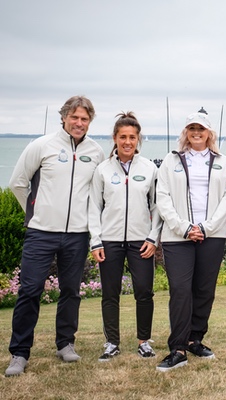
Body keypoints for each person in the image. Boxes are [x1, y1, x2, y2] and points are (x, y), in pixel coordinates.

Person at [5, 96, 105, 377]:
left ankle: (65, 343)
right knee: (30, 290)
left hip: (77, 235)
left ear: (89, 122)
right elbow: (18, 182)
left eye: (84, 119)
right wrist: (36, 211)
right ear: (64, 117)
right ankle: (20, 353)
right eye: (74, 117)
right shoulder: (42, 145)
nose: (79, 123)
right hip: (41, 233)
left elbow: (97, 193)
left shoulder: (96, 151)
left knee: (71, 291)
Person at [155, 110, 226, 372]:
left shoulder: (223, 161)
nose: (196, 133)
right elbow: (162, 197)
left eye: (201, 128)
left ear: (210, 133)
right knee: (180, 290)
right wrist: (185, 227)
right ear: (186, 132)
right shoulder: (170, 160)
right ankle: (177, 348)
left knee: (204, 290)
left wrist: (206, 227)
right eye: (192, 128)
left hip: (212, 235)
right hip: (178, 236)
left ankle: (194, 339)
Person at [88, 112, 162, 362]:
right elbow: (94, 207)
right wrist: (95, 240)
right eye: (123, 137)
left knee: (144, 291)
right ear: (115, 138)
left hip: (141, 241)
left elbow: (156, 207)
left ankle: (144, 341)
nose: (127, 142)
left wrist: (153, 238)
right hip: (109, 241)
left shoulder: (149, 168)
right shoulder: (103, 169)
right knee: (110, 293)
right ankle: (111, 342)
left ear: (138, 139)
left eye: (132, 137)